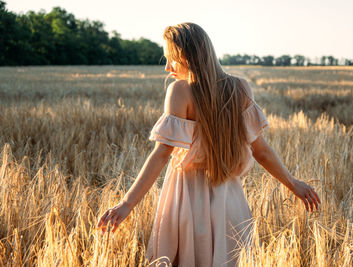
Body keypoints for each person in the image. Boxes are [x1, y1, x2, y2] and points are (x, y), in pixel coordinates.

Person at [97, 22, 320, 267]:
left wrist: (127, 204)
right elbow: (262, 151)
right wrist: (293, 184)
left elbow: (161, 154)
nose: (167, 67)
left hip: (187, 200)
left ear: (185, 56)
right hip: (231, 200)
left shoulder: (180, 91)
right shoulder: (240, 87)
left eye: (170, 58)